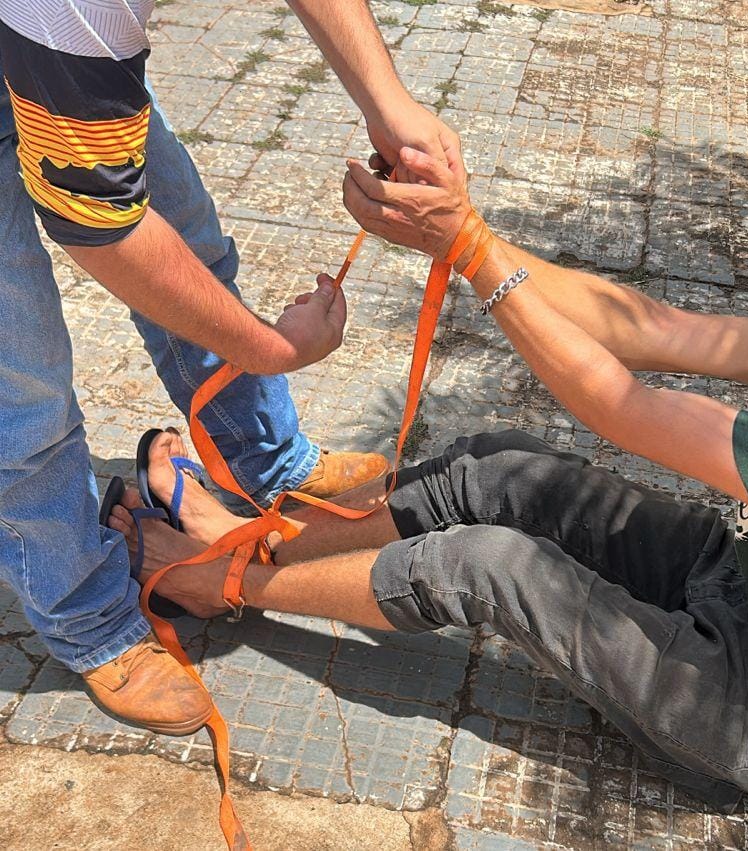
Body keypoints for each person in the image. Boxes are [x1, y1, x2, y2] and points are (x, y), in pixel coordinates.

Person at [113, 157, 748, 811]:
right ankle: (249, 541)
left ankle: (225, 584)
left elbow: (627, 407)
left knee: (483, 564)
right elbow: (652, 328)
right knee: (498, 467)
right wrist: (464, 238)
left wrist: (471, 250)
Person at [0, 1, 460, 736]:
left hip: (50, 49)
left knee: (191, 247)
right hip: (51, 37)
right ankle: (89, 618)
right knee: (20, 386)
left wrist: (389, 102)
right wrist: (271, 347)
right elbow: (101, 225)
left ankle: (264, 460)